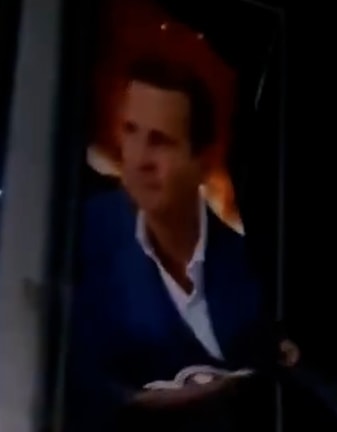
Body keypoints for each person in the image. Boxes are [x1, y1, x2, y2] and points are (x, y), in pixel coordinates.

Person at [64, 57, 299, 432]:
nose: (139, 159)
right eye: (130, 131)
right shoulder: (77, 238)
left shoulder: (255, 265)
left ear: (202, 163)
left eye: (160, 141)